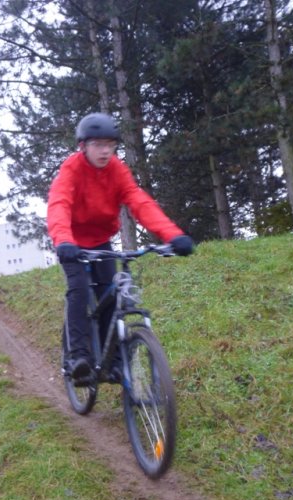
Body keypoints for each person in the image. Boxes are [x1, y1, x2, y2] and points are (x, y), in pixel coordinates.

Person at [47, 112, 194, 384]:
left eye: (110, 145)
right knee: (79, 290)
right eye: (97, 145)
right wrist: (64, 241)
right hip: (72, 242)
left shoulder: (117, 170)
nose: (105, 151)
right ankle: (77, 358)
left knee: (110, 296)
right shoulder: (72, 169)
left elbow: (139, 201)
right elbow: (59, 204)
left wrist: (173, 235)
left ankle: (112, 363)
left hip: (101, 241)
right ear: (83, 146)